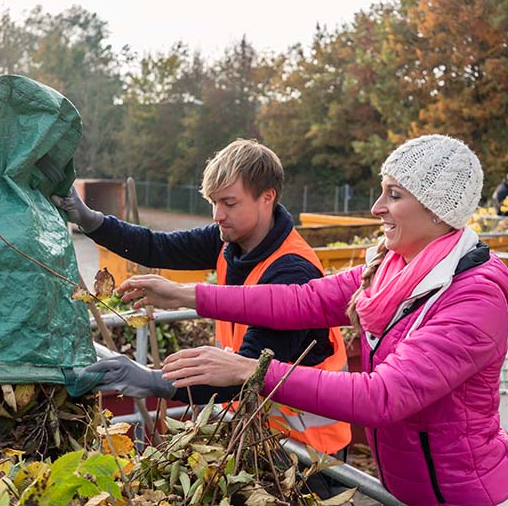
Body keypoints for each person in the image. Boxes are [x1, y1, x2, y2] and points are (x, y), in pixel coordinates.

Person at [119, 135, 508, 506]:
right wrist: (185, 293)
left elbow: (382, 396)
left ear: (437, 211)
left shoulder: (474, 294)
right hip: (411, 491)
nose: (376, 207)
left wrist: (248, 370)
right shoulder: (392, 267)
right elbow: (303, 300)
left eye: (394, 195)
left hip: (469, 496)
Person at [55, 139, 352, 492]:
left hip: (308, 455)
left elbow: (247, 370)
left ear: (267, 198)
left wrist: (154, 381)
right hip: (256, 434)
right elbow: (158, 245)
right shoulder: (229, 240)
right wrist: (91, 220)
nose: (217, 215)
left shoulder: (292, 271)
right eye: (213, 203)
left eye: (229, 203)